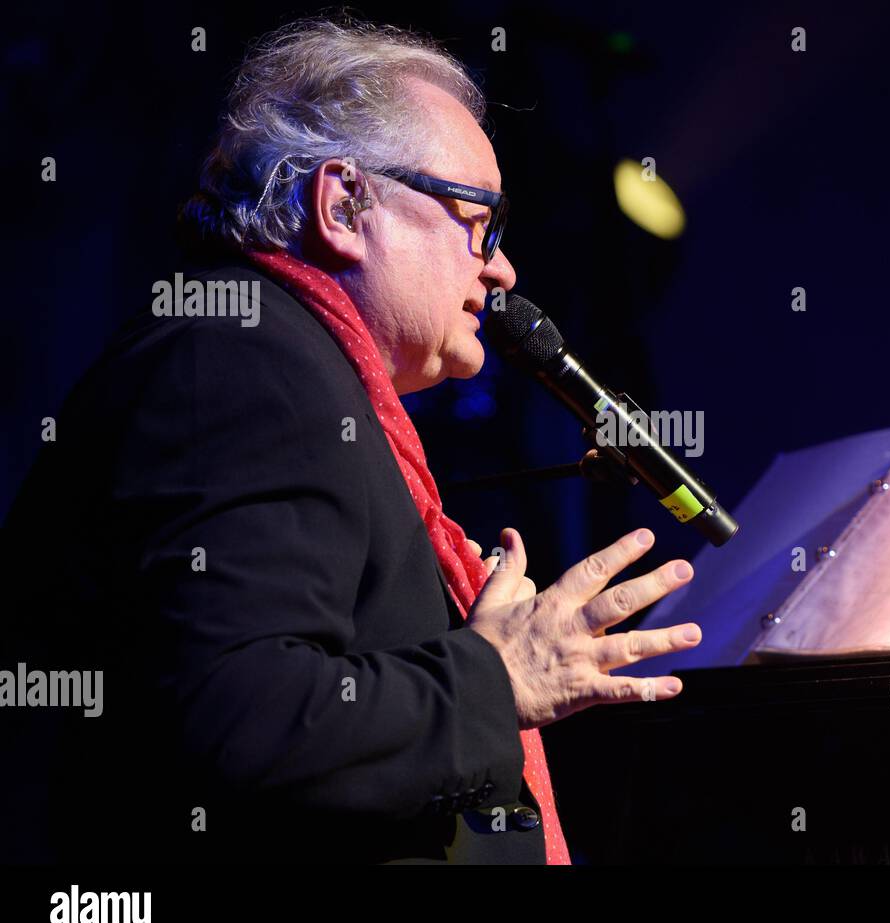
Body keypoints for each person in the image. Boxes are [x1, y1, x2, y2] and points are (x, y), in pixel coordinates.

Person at [0, 17, 700, 864]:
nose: (503, 269)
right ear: (342, 204)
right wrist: (495, 674)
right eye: (478, 219)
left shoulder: (285, 361)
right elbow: (243, 716)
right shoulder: (245, 357)